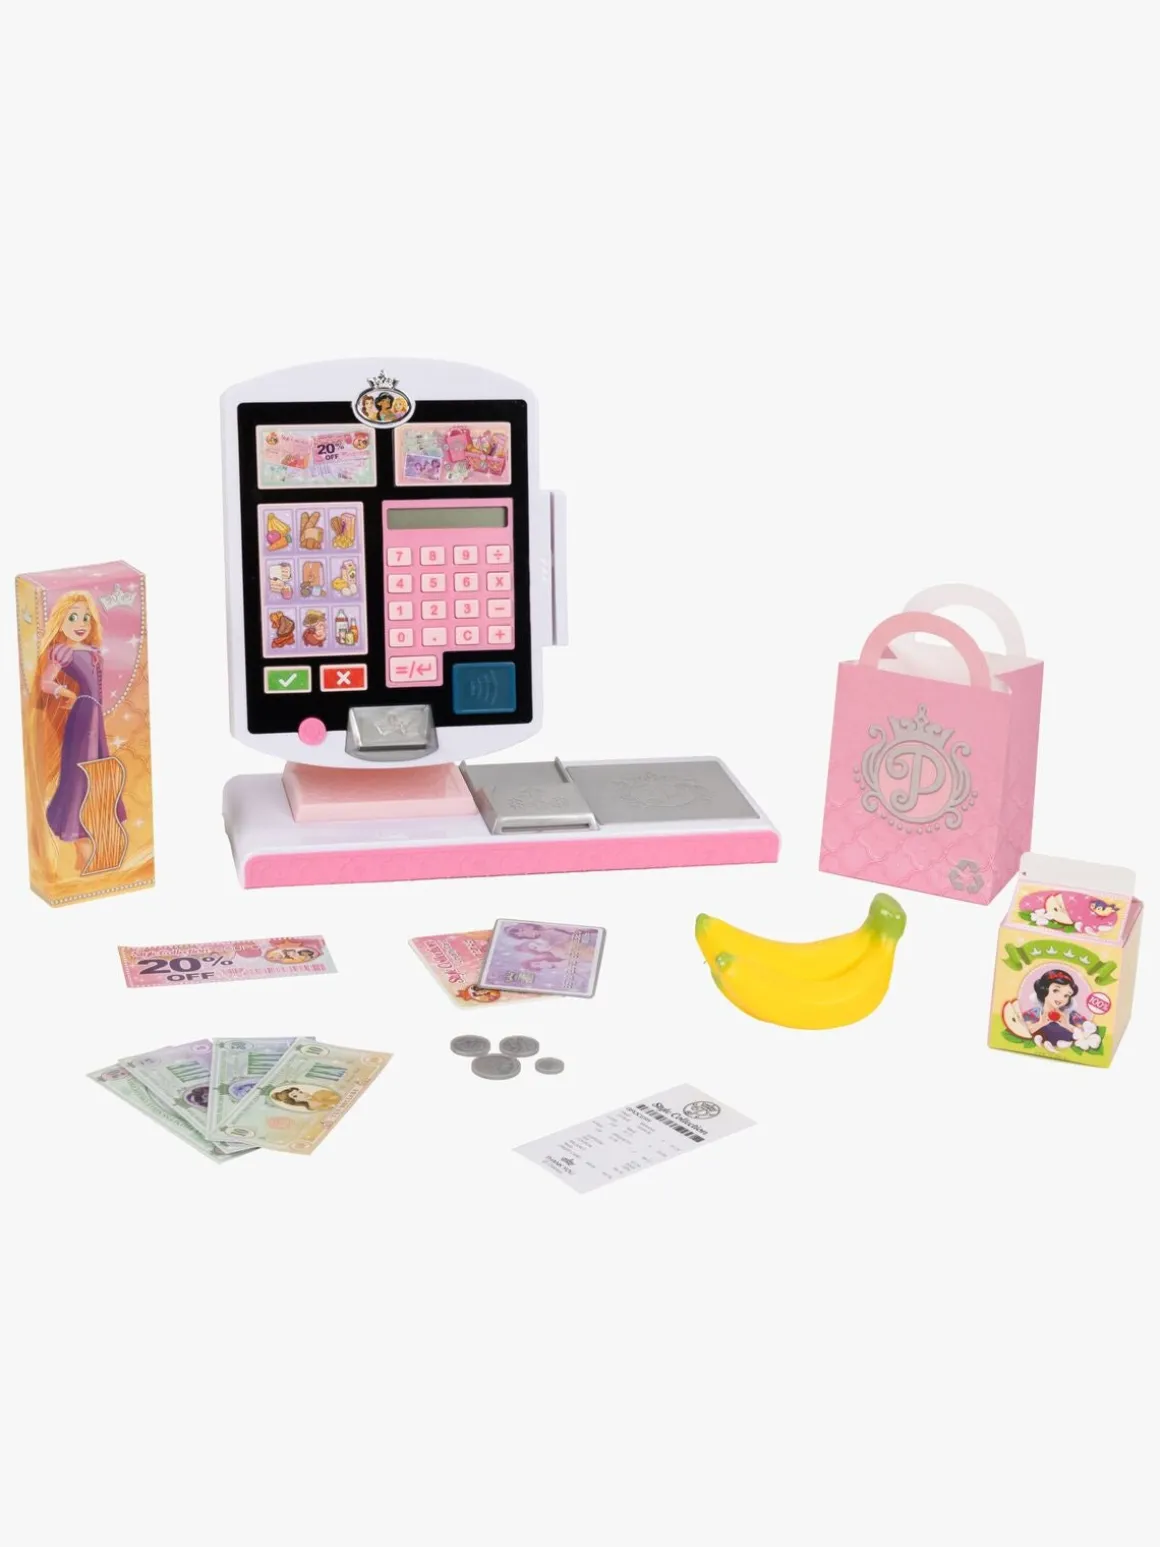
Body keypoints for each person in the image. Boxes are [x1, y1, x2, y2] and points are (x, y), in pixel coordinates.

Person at [34, 590, 126, 874]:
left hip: (94, 716)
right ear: (61, 621)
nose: (81, 623)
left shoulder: (93, 652)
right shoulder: (64, 651)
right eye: (73, 617)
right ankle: (80, 838)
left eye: (86, 617)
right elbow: (45, 682)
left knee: (97, 771)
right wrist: (65, 693)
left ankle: (93, 837)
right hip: (83, 714)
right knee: (80, 774)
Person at [270, 1084, 341, 1112]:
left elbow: (339, 1097)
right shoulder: (313, 1108)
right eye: (295, 1096)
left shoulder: (320, 1093)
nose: (302, 1094)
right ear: (296, 1101)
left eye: (300, 1091)